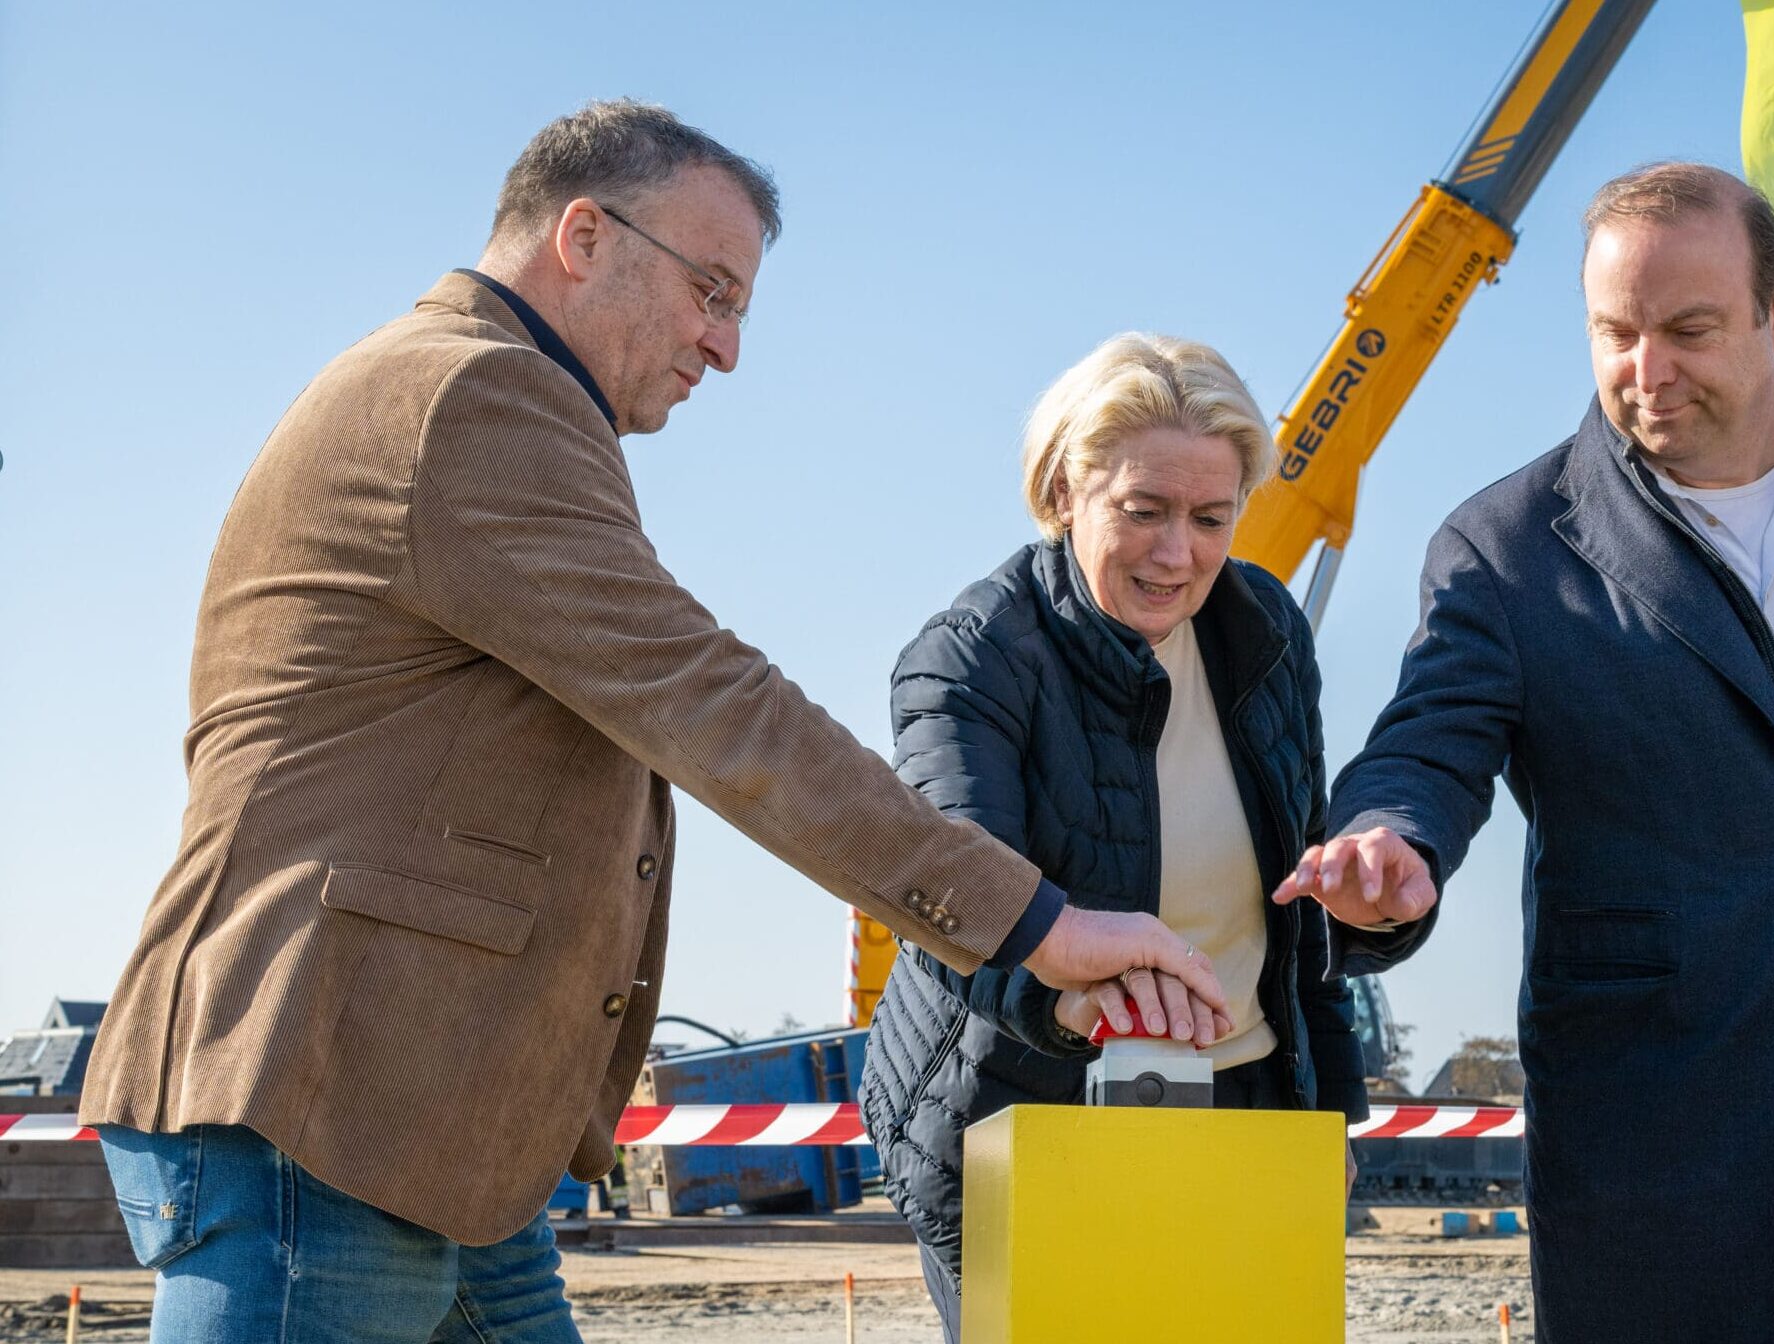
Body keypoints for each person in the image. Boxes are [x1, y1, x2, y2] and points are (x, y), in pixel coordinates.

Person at [78, 102, 1224, 1343]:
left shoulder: (472, 398)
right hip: (326, 1105)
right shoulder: (474, 396)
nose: (725, 348)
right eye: (712, 292)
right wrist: (1036, 924)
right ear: (583, 235)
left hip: (426, 1118)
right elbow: (711, 702)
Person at [1273, 161, 1774, 1341]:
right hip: (1666, 1152)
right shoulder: (1504, 549)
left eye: (1690, 330)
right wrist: (1387, 842)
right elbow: (1428, 749)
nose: (1648, 373)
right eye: (1616, 334)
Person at [860, 332, 1367, 1340]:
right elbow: (954, 898)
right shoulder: (968, 661)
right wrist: (1069, 992)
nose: (1178, 553)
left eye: (1211, 518)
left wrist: (1333, 1114)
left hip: (1248, 1107)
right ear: (1061, 491)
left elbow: (1299, 915)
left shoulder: (1266, 627)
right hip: (1025, 1114)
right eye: (1144, 512)